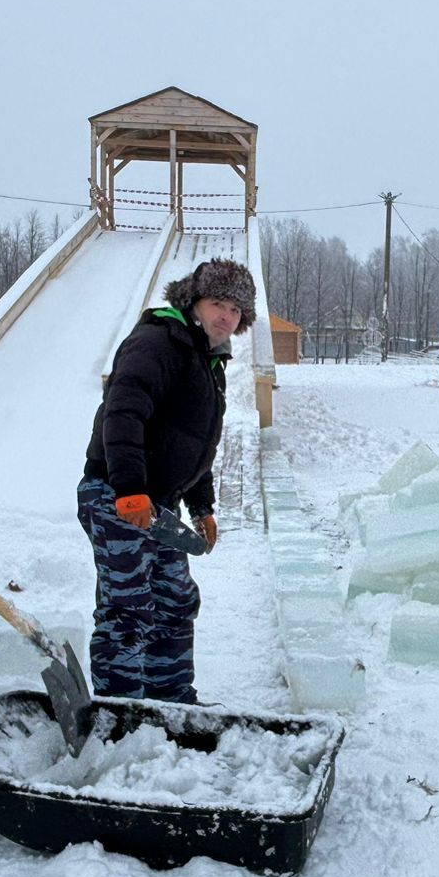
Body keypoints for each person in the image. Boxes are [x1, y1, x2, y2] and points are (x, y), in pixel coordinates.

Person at [77, 258, 254, 702]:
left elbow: (194, 444)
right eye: (217, 303)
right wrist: (130, 488)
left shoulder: (208, 362)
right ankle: (121, 713)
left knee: (175, 600)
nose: (225, 316)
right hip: (118, 496)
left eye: (235, 310)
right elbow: (124, 413)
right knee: (128, 609)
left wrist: (202, 506)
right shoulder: (158, 342)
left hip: (161, 506)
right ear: (193, 303)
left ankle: (170, 701)